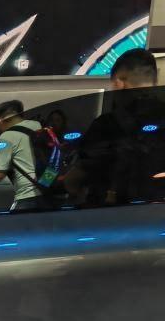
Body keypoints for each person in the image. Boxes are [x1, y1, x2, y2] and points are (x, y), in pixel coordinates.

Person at [65, 48, 164, 207]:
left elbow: (73, 180)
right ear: (155, 79)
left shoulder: (106, 125)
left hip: (115, 214)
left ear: (119, 82)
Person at [0, 100, 43, 211]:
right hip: (45, 187)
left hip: (26, 195)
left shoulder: (7, 136)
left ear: (1, 119)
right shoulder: (36, 125)